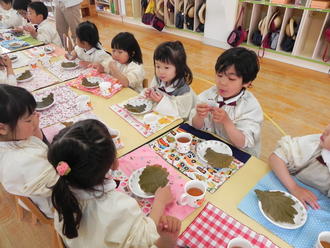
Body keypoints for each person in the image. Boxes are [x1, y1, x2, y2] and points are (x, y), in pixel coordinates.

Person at [49, 119, 181, 248]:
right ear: (114, 163)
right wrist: (159, 203)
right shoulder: (119, 208)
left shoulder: (61, 191)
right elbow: (145, 239)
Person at [190, 47, 263, 157]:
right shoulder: (210, 94)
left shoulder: (251, 107)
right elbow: (196, 126)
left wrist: (227, 122)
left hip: (240, 154)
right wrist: (199, 116)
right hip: (212, 147)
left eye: (231, 79)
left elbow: (242, 143)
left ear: (247, 82)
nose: (222, 82)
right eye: (219, 75)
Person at [0, 85, 59, 218]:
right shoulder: (24, 161)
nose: (37, 116)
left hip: (35, 190)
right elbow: (60, 186)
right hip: (53, 205)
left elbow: (37, 143)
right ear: (2, 128)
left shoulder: (11, 139)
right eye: (28, 119)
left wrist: (34, 127)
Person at [269, 125, 330, 210]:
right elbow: (276, 158)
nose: (326, 130)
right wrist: (294, 188)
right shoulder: (314, 143)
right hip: (287, 183)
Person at [144, 40, 196, 119]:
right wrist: (150, 94)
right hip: (160, 117)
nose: (161, 71)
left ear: (179, 68)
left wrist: (161, 101)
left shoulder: (184, 92)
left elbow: (181, 116)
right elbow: (153, 91)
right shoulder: (158, 79)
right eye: (158, 66)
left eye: (166, 67)